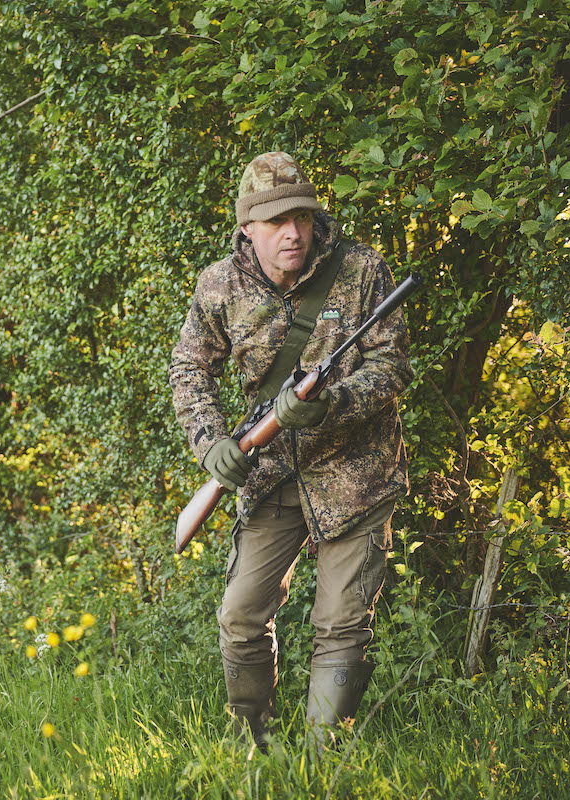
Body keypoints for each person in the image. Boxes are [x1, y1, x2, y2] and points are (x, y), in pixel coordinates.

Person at [168, 151, 412, 749]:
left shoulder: (361, 271)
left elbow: (392, 368)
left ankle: (321, 762)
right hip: (271, 474)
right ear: (247, 227)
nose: (294, 234)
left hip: (356, 476)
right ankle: (257, 745)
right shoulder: (219, 285)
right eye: (277, 222)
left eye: (301, 217)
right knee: (241, 617)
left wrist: (335, 403)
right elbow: (188, 368)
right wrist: (212, 444)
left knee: (340, 623)